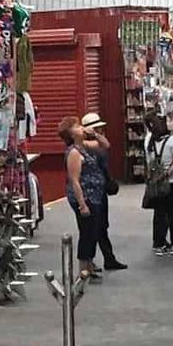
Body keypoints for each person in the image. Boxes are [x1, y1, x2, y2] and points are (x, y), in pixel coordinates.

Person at [78, 111, 127, 272]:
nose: (100, 131)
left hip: (100, 189)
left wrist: (96, 135)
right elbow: (104, 147)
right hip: (90, 192)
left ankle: (107, 258)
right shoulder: (84, 145)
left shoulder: (97, 142)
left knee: (101, 226)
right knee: (93, 228)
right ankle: (94, 261)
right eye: (97, 128)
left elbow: (106, 145)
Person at [60, 115, 105, 281]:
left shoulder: (84, 146)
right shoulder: (74, 152)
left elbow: (105, 145)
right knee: (86, 231)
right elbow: (74, 180)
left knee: (94, 230)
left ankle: (89, 263)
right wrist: (82, 204)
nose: (81, 128)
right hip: (84, 196)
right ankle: (83, 268)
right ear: (71, 134)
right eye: (77, 127)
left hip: (94, 194)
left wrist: (95, 134)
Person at [144, 114, 173, 256]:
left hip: (158, 184)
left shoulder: (149, 143)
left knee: (159, 213)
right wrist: (168, 173)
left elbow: (149, 163)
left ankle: (159, 243)